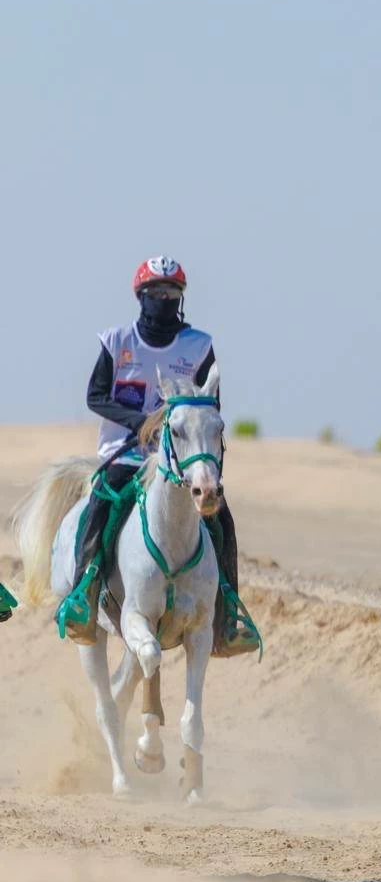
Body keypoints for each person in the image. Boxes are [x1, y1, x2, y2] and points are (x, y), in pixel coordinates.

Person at [55, 257, 257, 656]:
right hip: (127, 454)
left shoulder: (199, 345)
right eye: (156, 293)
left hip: (181, 459)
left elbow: (211, 406)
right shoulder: (117, 342)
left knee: (221, 518)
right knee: (101, 503)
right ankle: (83, 591)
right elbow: (95, 396)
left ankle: (228, 612)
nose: (163, 299)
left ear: (181, 298)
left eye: (171, 293)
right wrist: (140, 423)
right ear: (141, 296)